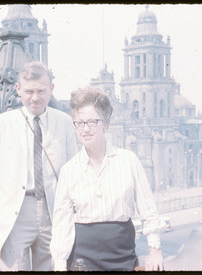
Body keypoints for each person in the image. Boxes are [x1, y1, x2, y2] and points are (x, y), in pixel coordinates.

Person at [50, 86, 166, 271]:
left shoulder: (128, 161)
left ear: (106, 124)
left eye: (92, 122)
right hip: (82, 261)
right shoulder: (69, 171)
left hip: (122, 257)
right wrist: (60, 264)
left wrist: (155, 249)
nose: (85, 129)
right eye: (79, 123)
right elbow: (61, 222)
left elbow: (147, 208)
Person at [0, 61, 78, 271]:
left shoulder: (65, 122)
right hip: (15, 214)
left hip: (53, 213)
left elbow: (73, 175)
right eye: (29, 91)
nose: (35, 97)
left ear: (51, 89)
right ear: (18, 90)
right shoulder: (1, 123)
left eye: (41, 91)